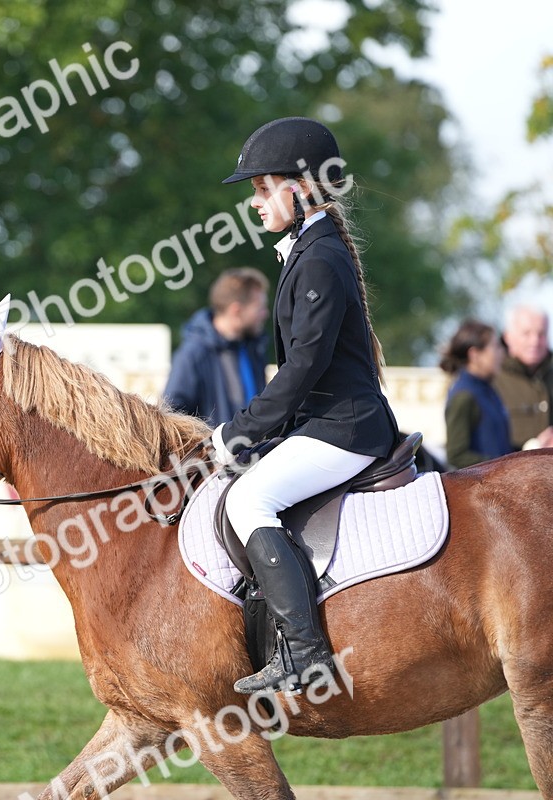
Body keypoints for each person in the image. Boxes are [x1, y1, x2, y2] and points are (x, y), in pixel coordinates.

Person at [210, 117, 401, 694]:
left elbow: (304, 368)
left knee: (249, 499)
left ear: (298, 189)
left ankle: (304, 652)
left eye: (262, 188)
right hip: (327, 423)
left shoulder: (318, 258)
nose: (255, 202)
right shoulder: (311, 250)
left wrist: (239, 432)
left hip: (346, 428)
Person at [163, 268, 270, 426]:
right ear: (236, 310)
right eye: (259, 308)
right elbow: (172, 416)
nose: (265, 314)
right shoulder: (193, 354)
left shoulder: (253, 349)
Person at [441, 320, 511, 469]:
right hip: (484, 482)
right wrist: (502, 467)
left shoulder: (488, 389)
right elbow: (456, 455)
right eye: (495, 347)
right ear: (475, 355)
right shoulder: (463, 396)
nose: (502, 353)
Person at [493, 305, 553, 451]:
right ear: (508, 337)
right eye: (526, 334)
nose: (535, 341)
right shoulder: (493, 379)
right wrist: (533, 446)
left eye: (541, 334)